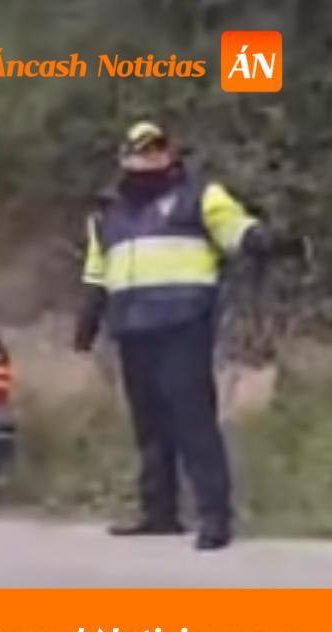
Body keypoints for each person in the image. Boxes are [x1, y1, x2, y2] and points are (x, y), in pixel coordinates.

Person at [74, 122, 310, 551]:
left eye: (158, 149)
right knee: (149, 425)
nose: (150, 157)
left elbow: (234, 227)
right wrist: (87, 320)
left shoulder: (199, 196)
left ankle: (215, 518)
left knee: (193, 420)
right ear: (124, 158)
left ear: (170, 154)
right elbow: (97, 272)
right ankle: (159, 513)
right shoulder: (107, 214)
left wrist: (263, 240)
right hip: (133, 327)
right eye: (142, 150)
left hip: (183, 323)